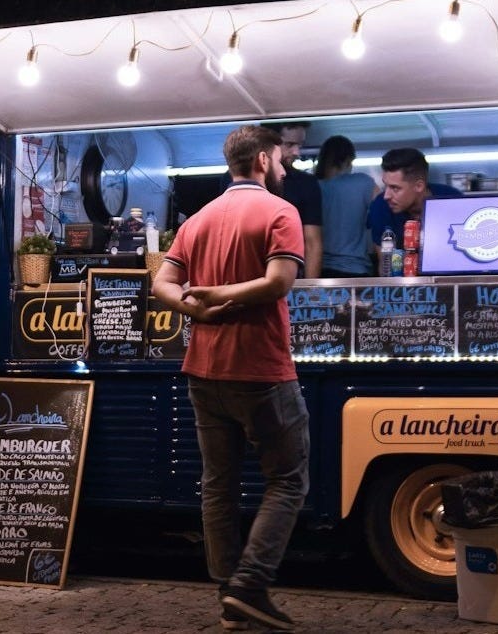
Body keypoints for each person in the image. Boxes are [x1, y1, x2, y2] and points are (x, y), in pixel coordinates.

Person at [151, 124, 310, 632]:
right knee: (287, 480)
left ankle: (228, 593)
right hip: (260, 370)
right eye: (281, 160)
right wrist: (222, 298)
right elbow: (280, 282)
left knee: (218, 485)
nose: (284, 169)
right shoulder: (280, 211)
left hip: (203, 370)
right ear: (262, 160)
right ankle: (249, 586)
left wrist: (196, 308)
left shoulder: (197, 219)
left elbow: (162, 282)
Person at [220, 121, 323, 277]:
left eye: (300, 145)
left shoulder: (306, 183)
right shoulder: (232, 178)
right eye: (289, 144)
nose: (296, 152)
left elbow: (312, 242)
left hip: (290, 279)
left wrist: (310, 292)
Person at [367, 147, 463, 248]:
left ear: (419, 186)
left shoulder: (452, 200)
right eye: (385, 186)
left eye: (395, 188)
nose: (386, 196)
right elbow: (386, 260)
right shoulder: (381, 207)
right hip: (400, 263)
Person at [315, 135, 376, 277]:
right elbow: (383, 211)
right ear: (347, 160)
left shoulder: (310, 187)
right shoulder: (363, 182)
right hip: (357, 269)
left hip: (320, 270)